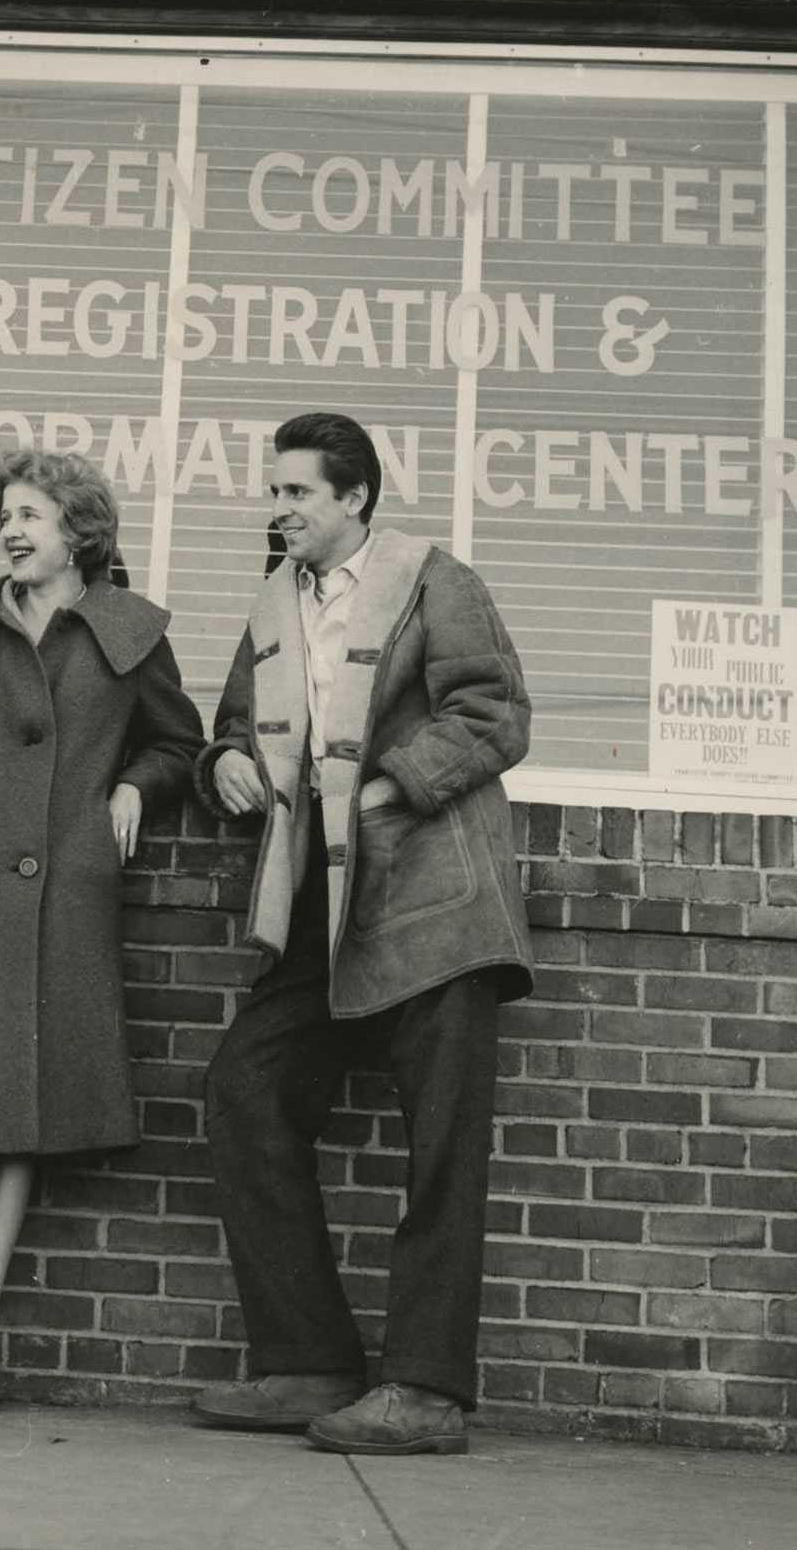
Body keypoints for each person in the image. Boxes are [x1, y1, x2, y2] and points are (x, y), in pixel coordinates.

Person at [189, 411, 535, 1456]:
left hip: (434, 907)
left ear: (355, 500)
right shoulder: (272, 605)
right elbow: (231, 729)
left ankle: (426, 1394)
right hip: (318, 917)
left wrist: (391, 784)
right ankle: (306, 1363)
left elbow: (494, 713)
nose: (278, 508)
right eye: (275, 490)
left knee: (442, 1153)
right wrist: (225, 767)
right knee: (244, 1092)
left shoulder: (437, 581)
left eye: (298, 492)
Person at [0, 448, 204, 1419]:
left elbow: (175, 740)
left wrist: (138, 786)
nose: (13, 530)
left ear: (81, 532)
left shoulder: (130, 636)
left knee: (23, 1122)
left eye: (32, 515)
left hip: (67, 904)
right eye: (6, 515)